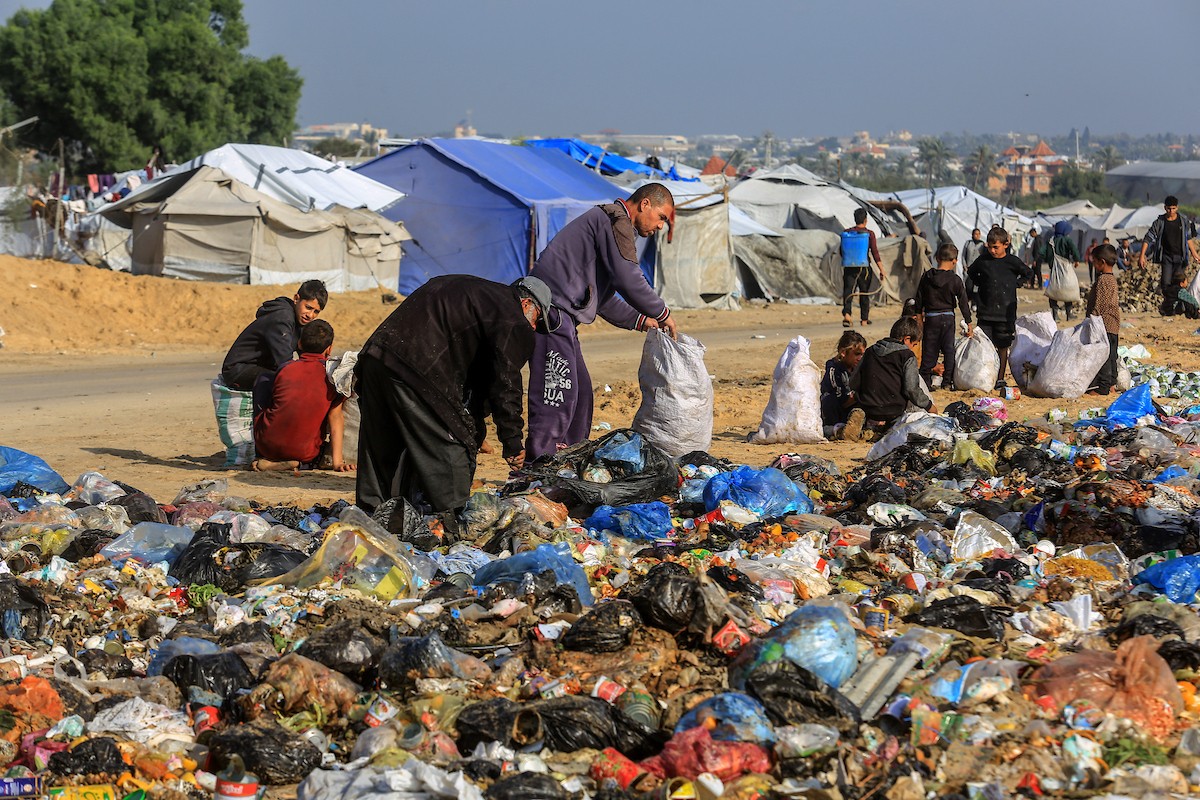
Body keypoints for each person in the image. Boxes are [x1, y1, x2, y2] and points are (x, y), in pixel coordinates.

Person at [354, 275, 551, 530]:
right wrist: (512, 443)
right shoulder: (512, 317)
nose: (533, 328)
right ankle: (452, 521)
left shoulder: (476, 293)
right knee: (449, 446)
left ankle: (371, 518)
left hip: (376, 357)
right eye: (537, 320)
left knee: (380, 446)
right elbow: (505, 383)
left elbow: (478, 382)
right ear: (526, 304)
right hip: (418, 368)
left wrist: (477, 424)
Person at [525, 183, 678, 460]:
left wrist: (641, 320)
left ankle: (566, 460)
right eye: (661, 217)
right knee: (557, 395)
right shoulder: (615, 220)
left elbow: (601, 298)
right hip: (550, 312)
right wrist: (662, 312)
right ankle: (538, 466)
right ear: (644, 204)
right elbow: (629, 279)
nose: (660, 227)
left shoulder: (611, 224)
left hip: (564, 319)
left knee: (581, 395)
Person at [251, 320, 353, 473]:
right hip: (304, 453)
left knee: (263, 379)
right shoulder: (332, 377)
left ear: (299, 343)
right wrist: (337, 462)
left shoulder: (285, 369)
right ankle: (300, 464)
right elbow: (335, 416)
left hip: (267, 447)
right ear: (329, 349)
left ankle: (262, 458)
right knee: (316, 450)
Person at [221, 280, 328, 403]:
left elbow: (307, 355)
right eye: (308, 307)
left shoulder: (299, 320)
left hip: (261, 367)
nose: (310, 315)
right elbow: (285, 361)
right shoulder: (282, 318)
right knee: (287, 382)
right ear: (296, 299)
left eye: (316, 312)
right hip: (238, 369)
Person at [842, 317, 936, 442]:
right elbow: (912, 389)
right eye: (913, 345)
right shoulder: (907, 356)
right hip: (894, 409)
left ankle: (867, 427)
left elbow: (853, 381)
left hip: (868, 407)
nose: (912, 348)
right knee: (901, 422)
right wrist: (929, 406)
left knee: (867, 413)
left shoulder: (870, 351)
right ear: (906, 339)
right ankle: (885, 429)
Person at [967, 226, 1032, 390]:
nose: (992, 250)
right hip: (986, 311)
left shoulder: (1012, 262)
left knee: (1003, 346)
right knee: (984, 346)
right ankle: (985, 376)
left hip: (1005, 313)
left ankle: (1000, 378)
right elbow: (971, 272)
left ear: (1005, 244)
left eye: (996, 247)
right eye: (990, 247)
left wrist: (1015, 284)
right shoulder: (982, 261)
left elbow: (1028, 273)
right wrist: (982, 283)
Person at [914, 242, 974, 390]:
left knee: (929, 350)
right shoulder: (955, 279)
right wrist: (969, 322)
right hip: (947, 318)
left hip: (931, 318)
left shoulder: (927, 277)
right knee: (948, 350)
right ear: (955, 261)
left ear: (937, 258)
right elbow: (963, 302)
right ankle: (947, 382)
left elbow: (919, 299)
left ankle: (925, 381)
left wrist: (919, 319)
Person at [1139, 195, 1200, 316]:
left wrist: (1194, 254)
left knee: (1179, 283)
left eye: (1173, 208)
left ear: (1177, 208)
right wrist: (1142, 256)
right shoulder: (1160, 222)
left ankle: (1178, 308)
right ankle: (1168, 307)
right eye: (1168, 209)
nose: (1171, 211)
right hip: (1166, 257)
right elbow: (1148, 238)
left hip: (1180, 257)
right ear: (1164, 208)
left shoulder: (1183, 221)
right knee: (1166, 284)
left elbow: (1188, 239)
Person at [1085, 244, 1121, 397]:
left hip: (1103, 324)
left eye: (1094, 261)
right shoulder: (1111, 279)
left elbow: (1101, 303)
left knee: (1104, 356)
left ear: (1102, 262)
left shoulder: (1103, 280)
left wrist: (1091, 318)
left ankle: (1103, 388)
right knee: (1112, 355)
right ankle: (1112, 384)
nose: (1093, 264)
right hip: (1112, 323)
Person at [840, 208, 885, 328]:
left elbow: (841, 251)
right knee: (864, 293)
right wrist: (881, 270)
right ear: (866, 220)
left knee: (848, 291)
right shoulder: (869, 234)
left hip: (849, 267)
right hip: (864, 269)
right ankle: (864, 319)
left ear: (855, 219)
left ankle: (847, 316)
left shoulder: (847, 233)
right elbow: (875, 253)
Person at [820, 330, 866, 439]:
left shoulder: (859, 368)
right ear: (843, 353)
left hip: (850, 406)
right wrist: (860, 394)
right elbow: (843, 400)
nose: (860, 358)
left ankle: (855, 429)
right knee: (829, 399)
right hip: (834, 411)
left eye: (862, 355)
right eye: (857, 354)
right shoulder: (834, 369)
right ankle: (838, 431)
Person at [1041, 220, 1081, 321]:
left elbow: (1041, 252)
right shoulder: (1067, 240)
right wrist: (1077, 260)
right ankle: (1069, 314)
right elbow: (1074, 250)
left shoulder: (1050, 241)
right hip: (1065, 270)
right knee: (1067, 290)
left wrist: (1048, 261)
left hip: (1054, 270)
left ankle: (1055, 314)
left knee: (1053, 290)